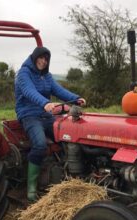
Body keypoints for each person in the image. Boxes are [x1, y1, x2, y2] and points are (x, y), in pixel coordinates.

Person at [15, 46, 85, 201]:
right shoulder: (24, 73)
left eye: (46, 59)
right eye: (41, 58)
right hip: (29, 115)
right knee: (40, 145)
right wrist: (45, 103)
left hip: (46, 115)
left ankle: (64, 177)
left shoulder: (46, 76)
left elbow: (58, 90)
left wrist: (76, 98)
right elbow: (29, 91)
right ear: (34, 58)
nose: (43, 61)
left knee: (67, 138)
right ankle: (31, 188)